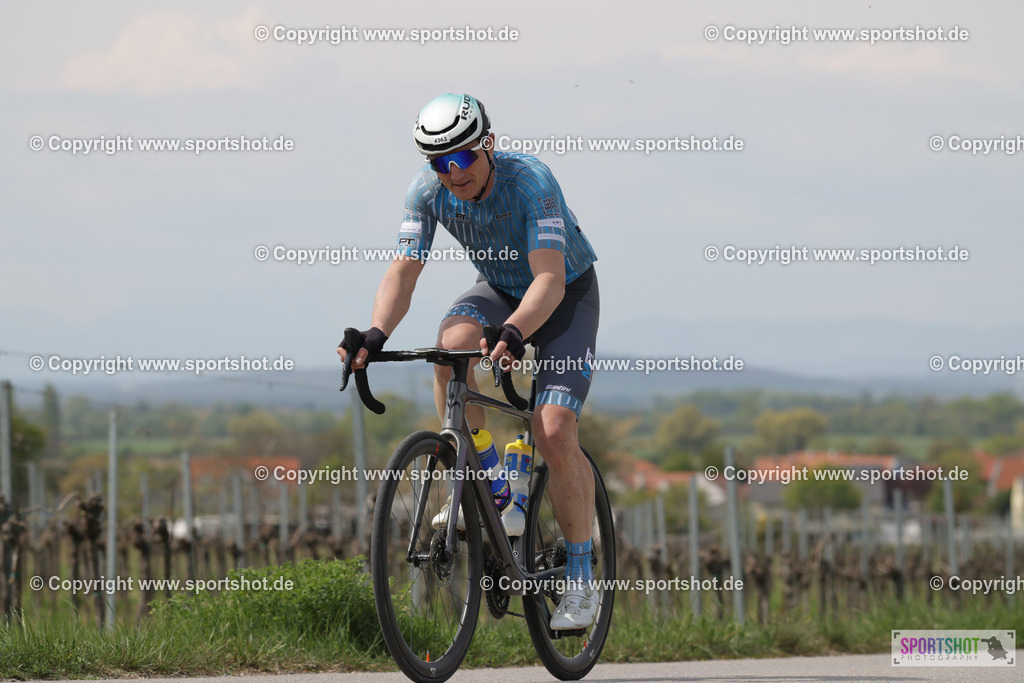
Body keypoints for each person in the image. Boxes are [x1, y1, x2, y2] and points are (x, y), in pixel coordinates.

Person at [338, 93, 600, 630]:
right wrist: (376, 332)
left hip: (564, 295)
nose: (451, 173)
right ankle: (496, 486)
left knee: (553, 429)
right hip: (500, 290)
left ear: (489, 145)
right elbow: (406, 268)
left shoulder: (532, 181)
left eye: (460, 158)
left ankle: (580, 577)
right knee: (450, 347)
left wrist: (515, 331)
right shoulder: (427, 191)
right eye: (438, 162)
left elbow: (548, 279)